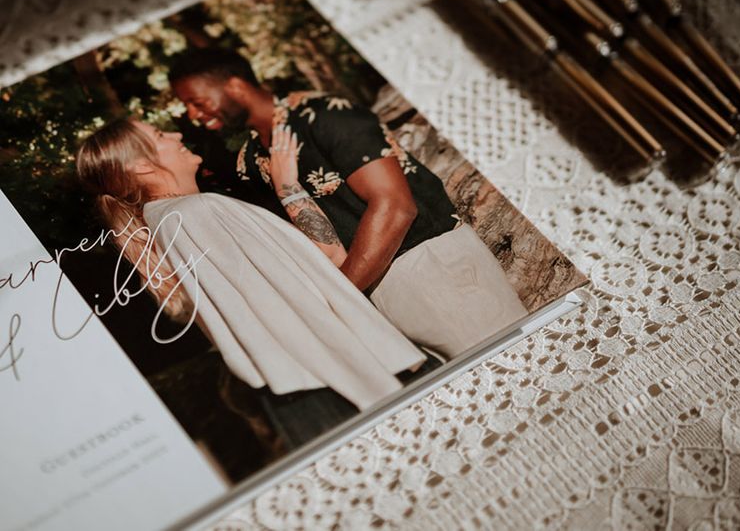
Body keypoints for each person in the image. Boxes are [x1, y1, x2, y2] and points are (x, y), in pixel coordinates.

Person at [170, 48, 528, 358]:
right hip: (370, 286)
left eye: (196, 102)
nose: (191, 114)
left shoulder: (325, 113)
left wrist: (340, 299)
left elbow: (396, 207)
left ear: (235, 85)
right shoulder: (251, 158)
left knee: (516, 371)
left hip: (430, 266)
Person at [75, 118, 426, 415]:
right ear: (140, 165)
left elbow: (324, 265)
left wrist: (287, 187)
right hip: (338, 385)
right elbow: (287, 312)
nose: (177, 135)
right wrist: (373, 385)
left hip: (326, 384)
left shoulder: (176, 217)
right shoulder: (194, 214)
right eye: (160, 136)